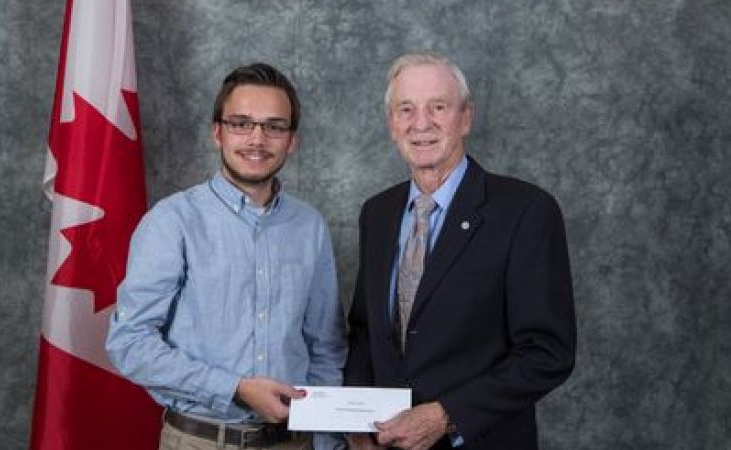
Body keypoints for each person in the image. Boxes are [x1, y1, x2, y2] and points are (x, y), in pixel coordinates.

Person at [107, 63, 347, 450]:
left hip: (294, 443)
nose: (257, 139)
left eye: (274, 126)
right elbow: (129, 343)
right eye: (241, 123)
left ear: (292, 141)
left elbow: (326, 347)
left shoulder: (310, 227)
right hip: (200, 440)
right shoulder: (172, 222)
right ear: (217, 132)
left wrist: (325, 440)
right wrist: (233, 388)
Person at [344, 51, 576, 450]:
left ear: (465, 117)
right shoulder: (377, 213)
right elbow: (366, 334)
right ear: (391, 124)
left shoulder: (525, 211)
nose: (421, 123)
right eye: (406, 109)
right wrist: (356, 424)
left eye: (438, 107)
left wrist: (444, 416)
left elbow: (547, 352)